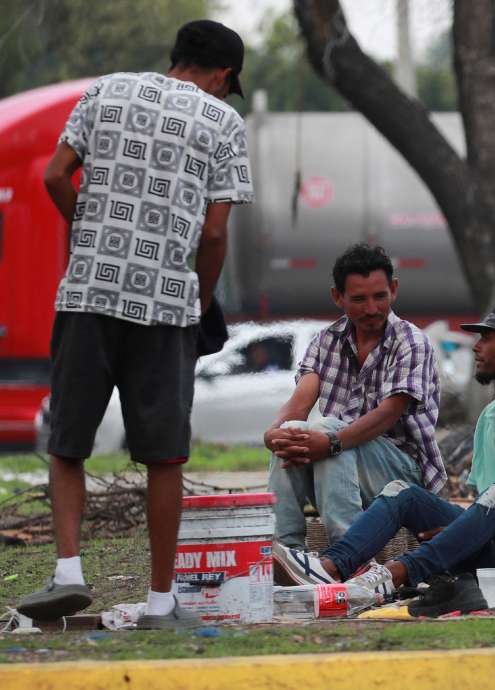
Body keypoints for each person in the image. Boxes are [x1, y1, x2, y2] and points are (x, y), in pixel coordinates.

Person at [16, 20, 252, 628]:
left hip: (88, 295)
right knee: (164, 457)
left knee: (68, 443)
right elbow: (217, 231)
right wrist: (199, 298)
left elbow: (51, 176)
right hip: (167, 306)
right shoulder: (223, 122)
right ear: (223, 75)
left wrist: (89, 232)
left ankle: (68, 571)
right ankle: (159, 601)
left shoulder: (105, 90)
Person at [273, 304, 495, 617]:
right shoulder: (489, 415)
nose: (476, 347)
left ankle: (393, 575)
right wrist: (466, 529)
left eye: (487, 338)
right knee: (404, 493)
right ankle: (331, 567)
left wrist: (466, 528)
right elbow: (481, 503)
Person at [264, 243, 447, 548]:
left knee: (329, 429)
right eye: (360, 299)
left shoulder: (411, 342)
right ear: (338, 297)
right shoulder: (326, 341)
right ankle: (286, 551)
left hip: (404, 476)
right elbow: (300, 401)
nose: (372, 309)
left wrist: (333, 441)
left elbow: (389, 413)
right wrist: (273, 434)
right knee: (289, 432)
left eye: (380, 297)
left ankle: (347, 554)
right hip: (338, 468)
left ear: (394, 290)